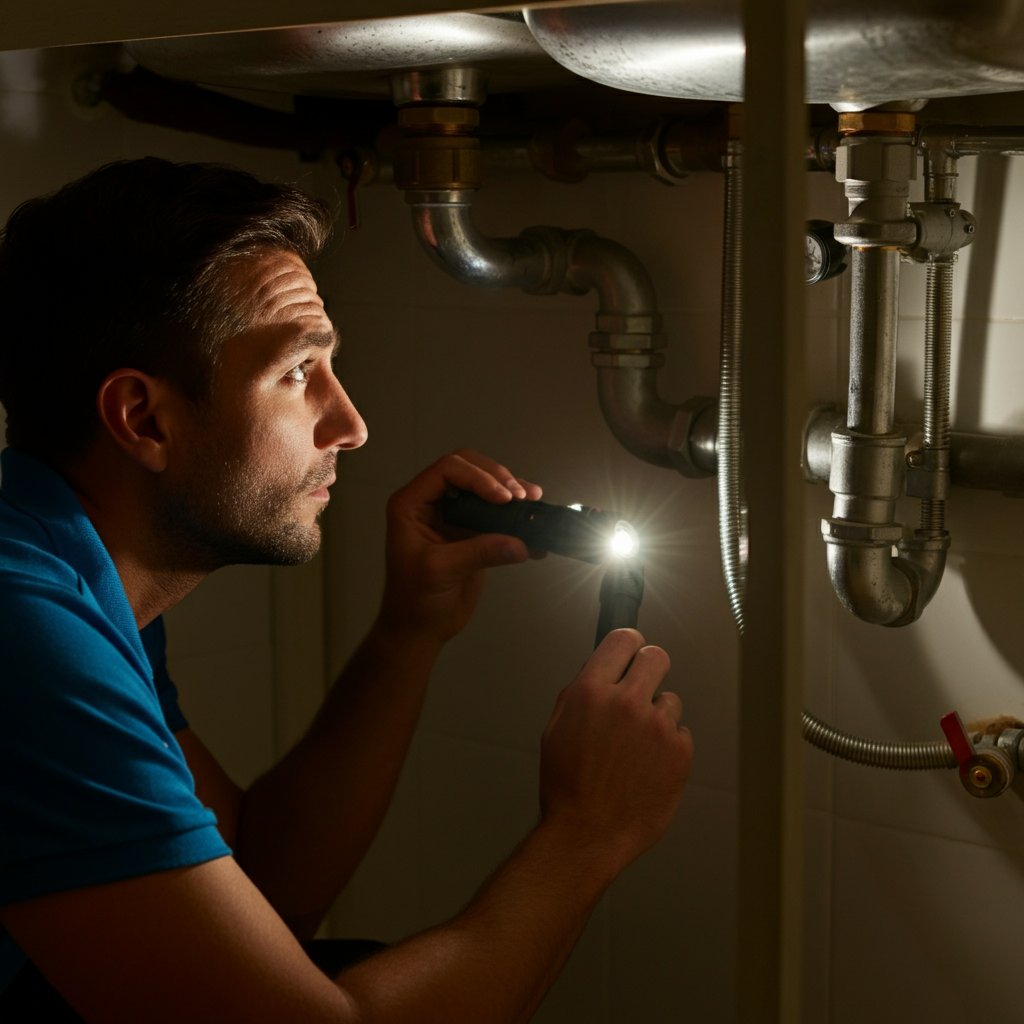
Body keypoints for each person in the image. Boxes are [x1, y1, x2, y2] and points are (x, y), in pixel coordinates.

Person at [0, 158, 693, 1024]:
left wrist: (409, 633)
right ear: (144, 418)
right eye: (296, 373)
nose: (351, 425)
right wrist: (586, 836)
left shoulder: (78, 583)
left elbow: (257, 890)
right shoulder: (25, 633)